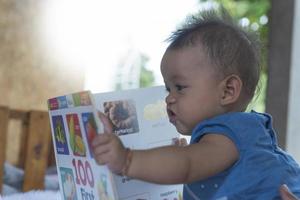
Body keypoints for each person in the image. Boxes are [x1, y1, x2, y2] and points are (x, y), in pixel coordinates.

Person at [92, 8, 300, 199]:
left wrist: (127, 160)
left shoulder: (229, 133)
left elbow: (186, 165)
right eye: (168, 88)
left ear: (228, 91)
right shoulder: (236, 135)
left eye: (180, 87)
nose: (169, 98)